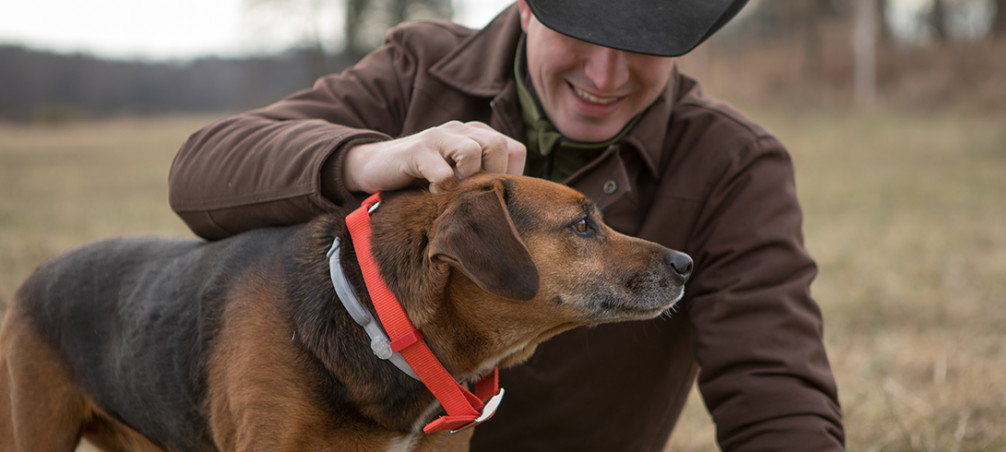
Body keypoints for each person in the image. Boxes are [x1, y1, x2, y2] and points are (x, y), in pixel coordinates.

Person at [168, 0, 845, 449]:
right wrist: (369, 157)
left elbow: (775, 384)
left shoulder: (732, 164)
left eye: (646, 41)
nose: (607, 74)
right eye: (584, 30)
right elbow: (200, 171)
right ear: (526, 7)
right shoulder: (420, 70)